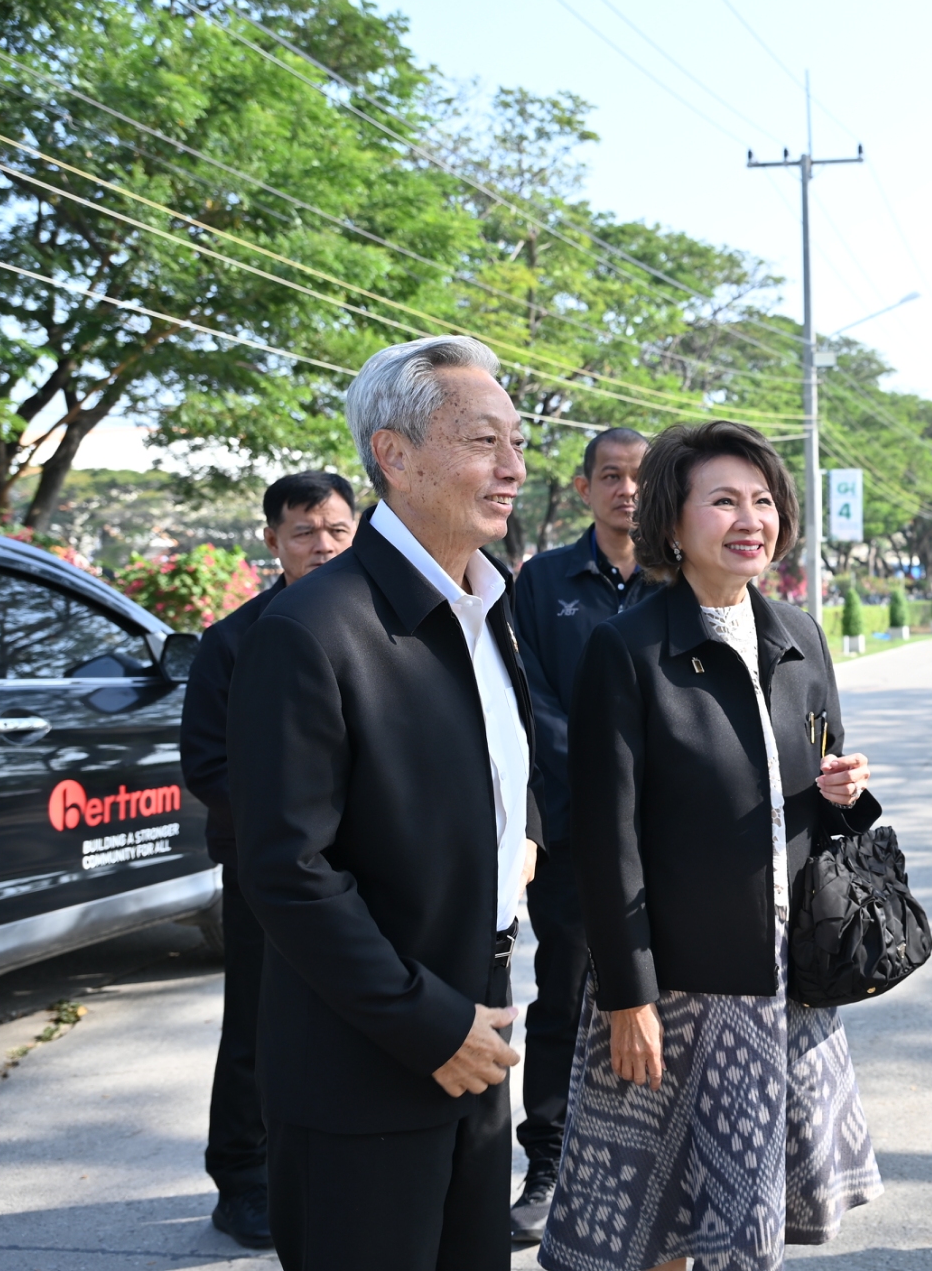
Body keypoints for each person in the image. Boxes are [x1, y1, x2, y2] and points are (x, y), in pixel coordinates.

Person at [228, 336, 544, 1270]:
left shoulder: (490, 606)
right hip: (366, 1054)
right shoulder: (312, 628)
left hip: (480, 1022)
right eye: (484, 441)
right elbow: (287, 869)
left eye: (518, 442)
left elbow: (502, 763)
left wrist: (522, 835)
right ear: (393, 456)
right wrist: (428, 1023)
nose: (514, 467)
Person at [540, 420, 882, 1271]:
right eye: (723, 501)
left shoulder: (799, 635)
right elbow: (605, 838)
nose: (750, 519)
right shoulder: (629, 649)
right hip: (677, 987)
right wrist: (627, 997)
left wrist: (846, 793)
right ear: (672, 520)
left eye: (762, 500)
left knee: (743, 1223)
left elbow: (821, 797)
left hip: (787, 975)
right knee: (662, 1225)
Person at [181, 470, 357, 1250]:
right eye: (304, 532)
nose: (323, 546)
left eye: (337, 530)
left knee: (352, 1022)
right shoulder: (233, 641)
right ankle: (241, 1180)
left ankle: (324, 1171)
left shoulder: (373, 622)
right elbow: (207, 765)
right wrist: (295, 833)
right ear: (272, 541)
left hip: (363, 871)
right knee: (257, 1026)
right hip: (269, 872)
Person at [506, 425, 659, 1243]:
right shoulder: (543, 581)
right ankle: (551, 1162)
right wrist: (610, 773)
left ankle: (657, 1159)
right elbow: (530, 699)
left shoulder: (681, 575)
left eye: (640, 476)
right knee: (562, 995)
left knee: (668, 995)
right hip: (573, 832)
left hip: (668, 838)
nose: (627, 490)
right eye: (611, 476)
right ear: (584, 488)